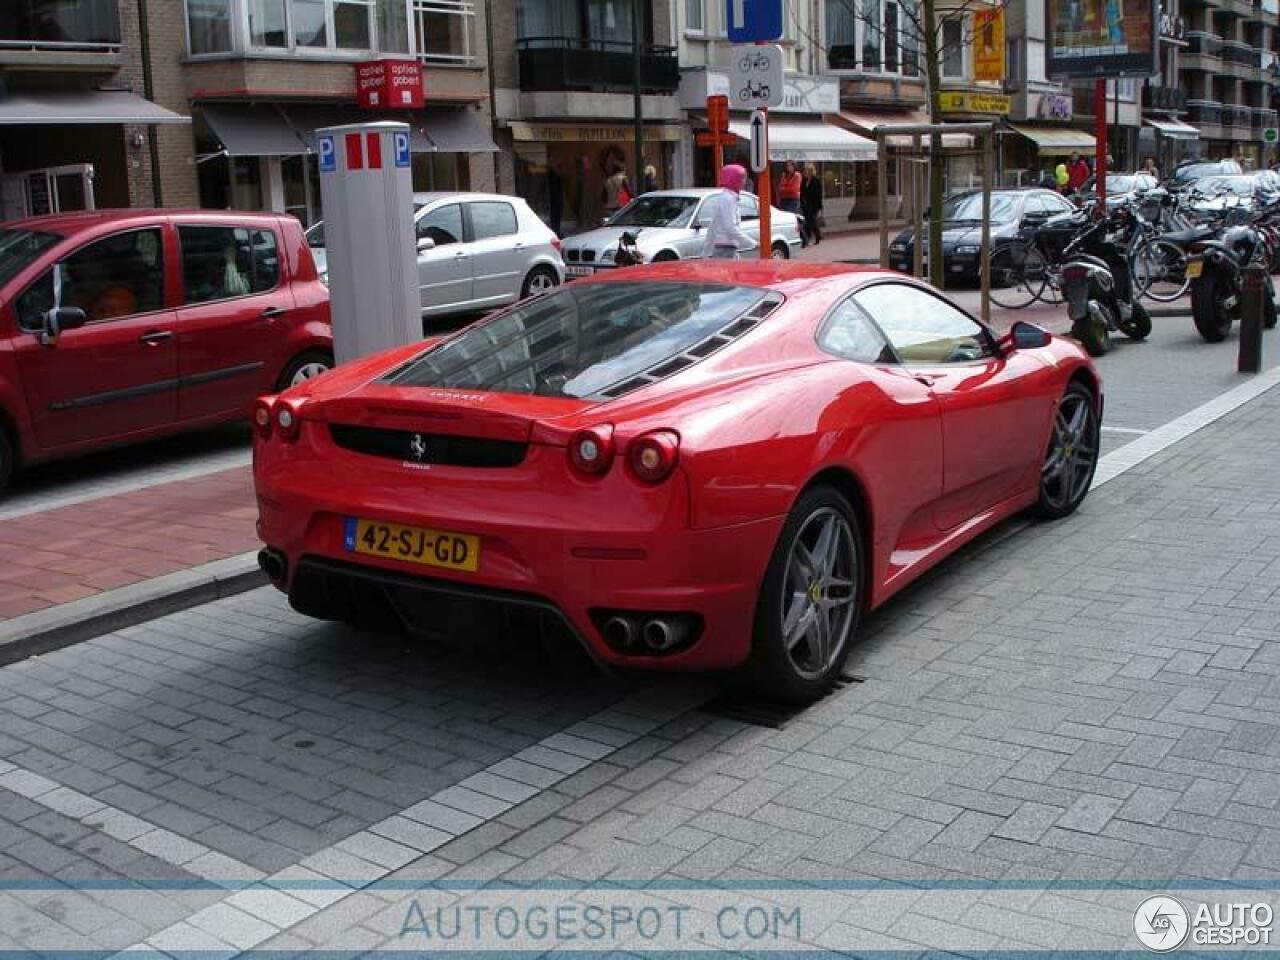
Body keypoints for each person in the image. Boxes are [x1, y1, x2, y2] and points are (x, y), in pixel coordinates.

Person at [700, 164, 756, 260]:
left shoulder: (728, 197)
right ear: (733, 178)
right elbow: (730, 228)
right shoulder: (728, 199)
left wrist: (705, 252)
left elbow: (714, 226)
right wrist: (752, 243)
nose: (744, 182)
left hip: (727, 249)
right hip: (725, 250)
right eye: (741, 178)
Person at [777, 159, 804, 246]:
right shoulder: (784, 175)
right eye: (787, 166)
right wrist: (786, 188)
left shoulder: (797, 175)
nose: (788, 167)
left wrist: (785, 188)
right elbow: (780, 188)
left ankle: (803, 238)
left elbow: (794, 189)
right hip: (784, 199)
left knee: (792, 218)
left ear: (794, 166)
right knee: (785, 218)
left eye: (790, 166)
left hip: (793, 200)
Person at [800, 163, 824, 247]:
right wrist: (802, 202)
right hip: (806, 205)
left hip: (814, 205)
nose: (805, 172)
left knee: (810, 222)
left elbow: (819, 195)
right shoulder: (804, 181)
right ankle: (818, 235)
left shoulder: (816, 181)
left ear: (810, 171)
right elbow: (802, 193)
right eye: (805, 171)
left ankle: (807, 239)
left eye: (806, 171)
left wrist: (819, 207)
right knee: (811, 222)